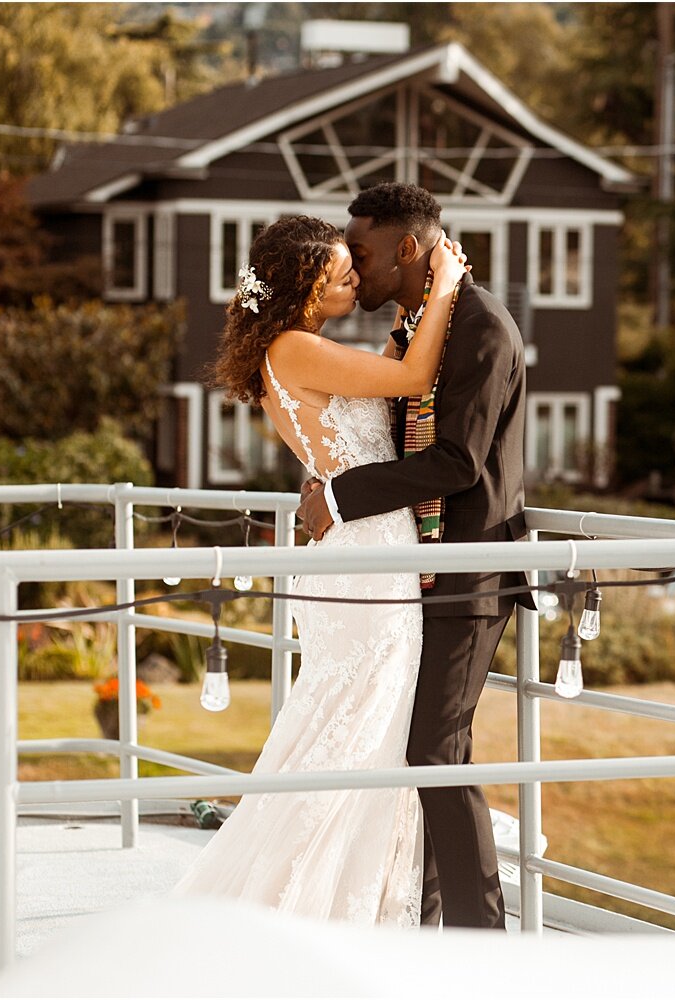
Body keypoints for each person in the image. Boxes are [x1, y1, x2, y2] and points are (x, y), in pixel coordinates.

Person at [171, 214, 468, 925]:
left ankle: (337, 896)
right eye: (341, 271)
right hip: (370, 558)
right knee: (362, 728)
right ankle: (316, 907)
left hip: (359, 549)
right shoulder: (298, 347)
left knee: (351, 723)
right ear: (306, 286)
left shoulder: (295, 349)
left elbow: (375, 393)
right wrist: (447, 286)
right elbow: (413, 376)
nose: (354, 278)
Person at [297, 182, 535, 931]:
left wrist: (339, 499)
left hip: (471, 572)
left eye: (361, 255)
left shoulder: (484, 330)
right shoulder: (422, 322)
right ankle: (429, 919)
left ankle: (481, 940)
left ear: (408, 248)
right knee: (421, 748)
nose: (354, 271)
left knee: (435, 750)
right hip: (412, 571)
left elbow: (459, 463)